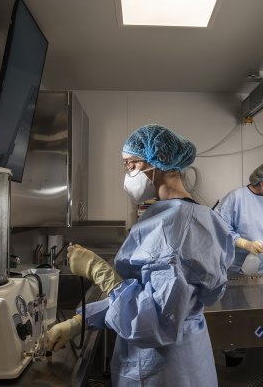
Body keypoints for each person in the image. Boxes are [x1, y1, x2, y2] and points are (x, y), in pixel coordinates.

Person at [46, 124, 235, 386]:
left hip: (163, 368)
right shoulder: (183, 215)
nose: (127, 174)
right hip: (182, 357)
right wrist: (83, 320)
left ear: (157, 162)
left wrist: (100, 273)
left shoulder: (175, 227)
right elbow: (143, 292)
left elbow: (153, 321)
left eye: (130, 165)